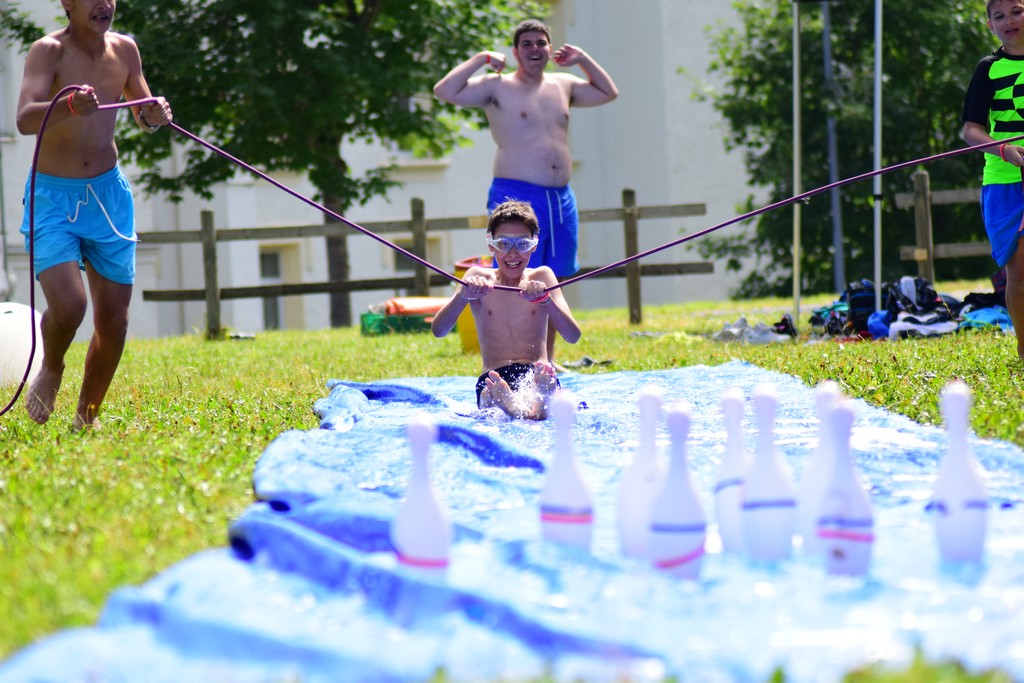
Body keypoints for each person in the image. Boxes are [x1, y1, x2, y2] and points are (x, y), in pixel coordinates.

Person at [15, 0, 173, 429]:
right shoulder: (47, 50)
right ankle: (51, 366)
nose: (104, 4)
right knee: (69, 306)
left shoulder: (125, 49)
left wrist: (155, 115)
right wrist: (66, 105)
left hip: (108, 196)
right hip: (53, 197)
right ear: (66, 3)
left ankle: (87, 416)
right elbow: (24, 119)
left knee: (114, 323)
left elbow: (143, 110)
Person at [433, 18, 617, 364]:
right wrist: (481, 58)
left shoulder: (564, 83)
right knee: (513, 270)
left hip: (560, 196)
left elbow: (608, 93)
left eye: (542, 43)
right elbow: (444, 91)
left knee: (554, 276)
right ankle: (509, 355)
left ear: (551, 49)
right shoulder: (497, 86)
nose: (535, 49)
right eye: (528, 44)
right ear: (516, 51)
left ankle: (545, 359)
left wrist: (583, 58)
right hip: (515, 190)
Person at [431, 200, 581, 420]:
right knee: (489, 396)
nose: (512, 253)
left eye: (521, 244)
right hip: (495, 376)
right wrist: (464, 296)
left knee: (545, 392)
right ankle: (527, 407)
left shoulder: (543, 277)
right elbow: (439, 330)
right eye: (503, 244)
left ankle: (528, 405)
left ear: (534, 245)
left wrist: (545, 300)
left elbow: (573, 336)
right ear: (490, 245)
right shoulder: (477, 278)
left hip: (536, 373)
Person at [963, 0, 1024, 360]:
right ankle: (1022, 349)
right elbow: (971, 131)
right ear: (990, 25)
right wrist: (1003, 150)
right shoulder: (987, 69)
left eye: (1017, 11)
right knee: (1019, 273)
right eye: (999, 16)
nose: (1009, 21)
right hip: (1003, 180)